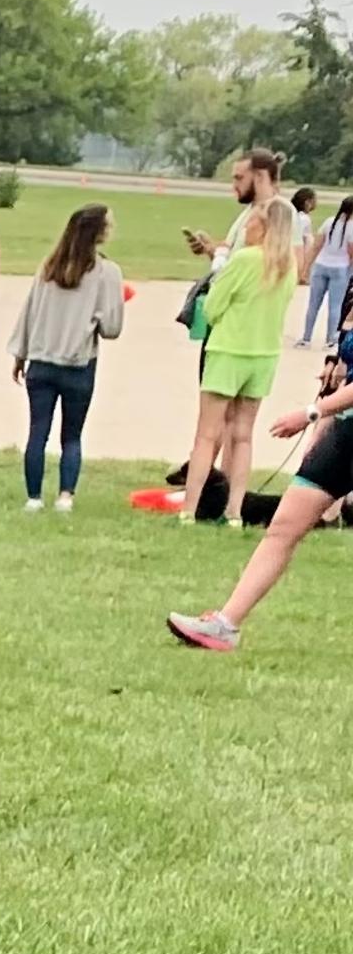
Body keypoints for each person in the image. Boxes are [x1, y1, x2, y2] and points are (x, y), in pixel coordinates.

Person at [166, 312, 353, 653]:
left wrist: (312, 412)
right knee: (283, 526)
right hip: (346, 429)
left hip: (337, 415)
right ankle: (225, 625)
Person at [172, 155, 302, 531]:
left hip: (229, 349)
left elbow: (212, 306)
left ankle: (190, 507)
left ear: (263, 227)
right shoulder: (287, 266)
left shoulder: (245, 260)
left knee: (207, 433)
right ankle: (233, 510)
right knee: (243, 436)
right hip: (263, 354)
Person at [12, 199, 125, 511]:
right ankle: (65, 495)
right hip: (78, 364)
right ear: (98, 232)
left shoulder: (49, 267)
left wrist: (20, 354)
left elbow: (29, 313)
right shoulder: (107, 272)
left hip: (41, 361)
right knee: (71, 435)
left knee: (38, 431)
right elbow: (112, 328)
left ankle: (33, 497)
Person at [300, 189, 353, 368]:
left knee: (313, 304)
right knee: (335, 305)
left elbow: (316, 245)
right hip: (340, 268)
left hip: (321, 266)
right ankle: (330, 338)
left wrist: (306, 268)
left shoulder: (329, 221)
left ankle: (306, 337)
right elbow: (351, 253)